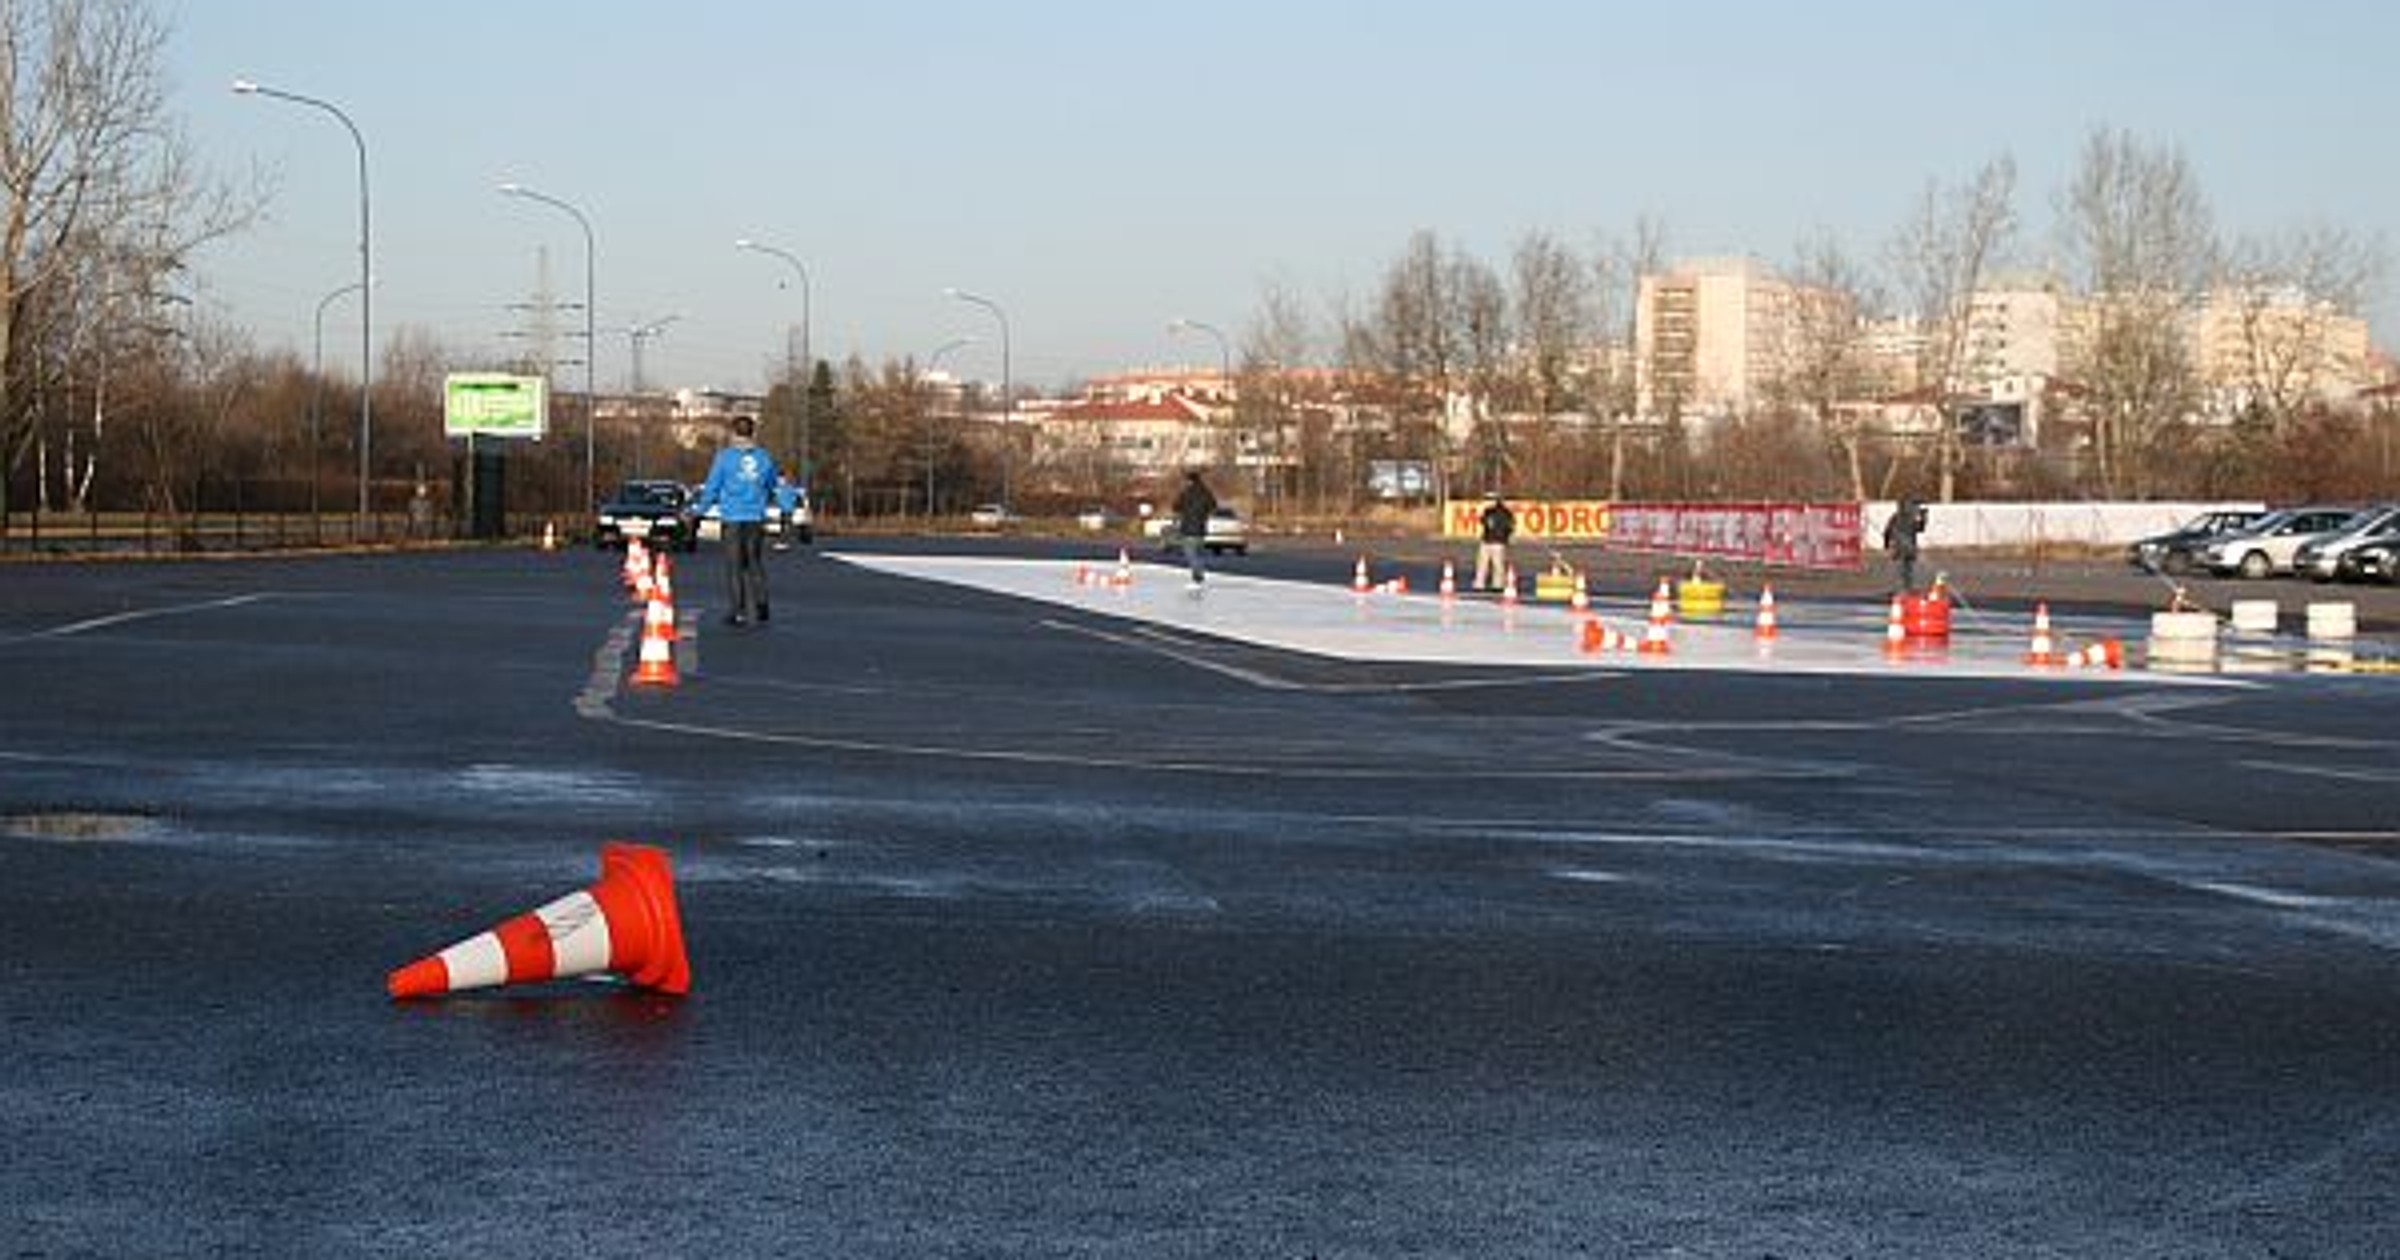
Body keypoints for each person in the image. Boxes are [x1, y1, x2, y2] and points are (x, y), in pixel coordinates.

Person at [695, 415, 783, 626]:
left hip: (733, 518)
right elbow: (772, 484)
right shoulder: (764, 457)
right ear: (753, 433)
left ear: (733, 434)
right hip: (755, 517)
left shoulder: (724, 458)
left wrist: (699, 510)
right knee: (754, 563)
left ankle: (738, 611)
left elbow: (713, 487)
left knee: (734, 566)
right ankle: (762, 608)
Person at [1172, 469, 1218, 587]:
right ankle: (1199, 575)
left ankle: (1197, 575)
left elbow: (1176, 506)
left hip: (1188, 527)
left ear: (1190, 481)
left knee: (1190, 553)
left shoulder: (1186, 492)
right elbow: (1213, 506)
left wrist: (1181, 511)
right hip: (1201, 528)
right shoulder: (1206, 492)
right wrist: (1205, 514)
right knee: (1199, 553)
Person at [1884, 496, 1928, 593]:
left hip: (1909, 549)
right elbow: (1887, 532)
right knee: (1902, 570)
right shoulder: (1897, 518)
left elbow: (1920, 528)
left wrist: (1924, 518)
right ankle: (1903, 590)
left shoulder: (1908, 518)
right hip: (1901, 549)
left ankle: (1907, 589)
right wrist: (1887, 546)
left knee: (1908, 570)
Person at [1473, 491, 1516, 592]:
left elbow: (1508, 526)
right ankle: (1483, 583)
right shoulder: (1490, 511)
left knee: (1496, 564)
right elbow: (1483, 522)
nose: (1486, 502)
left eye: (1488, 500)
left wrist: (1505, 536)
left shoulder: (1500, 513)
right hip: (1488, 540)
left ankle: (1495, 584)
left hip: (1496, 541)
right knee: (1483, 563)